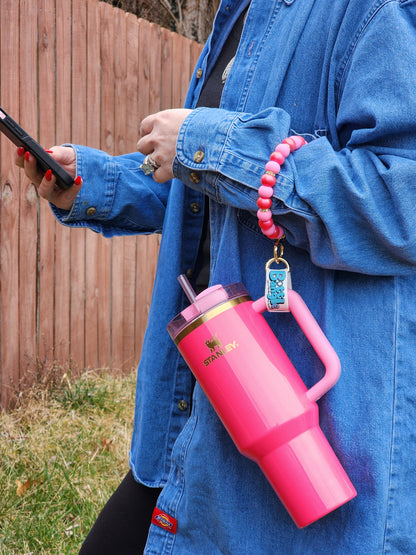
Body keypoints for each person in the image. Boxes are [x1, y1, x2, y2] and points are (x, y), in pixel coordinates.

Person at [16, 0, 416, 553]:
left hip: (303, 439)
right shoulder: (241, 15)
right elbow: (211, 190)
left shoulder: (375, 11)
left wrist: (215, 145)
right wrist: (97, 182)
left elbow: (402, 200)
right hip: (195, 412)